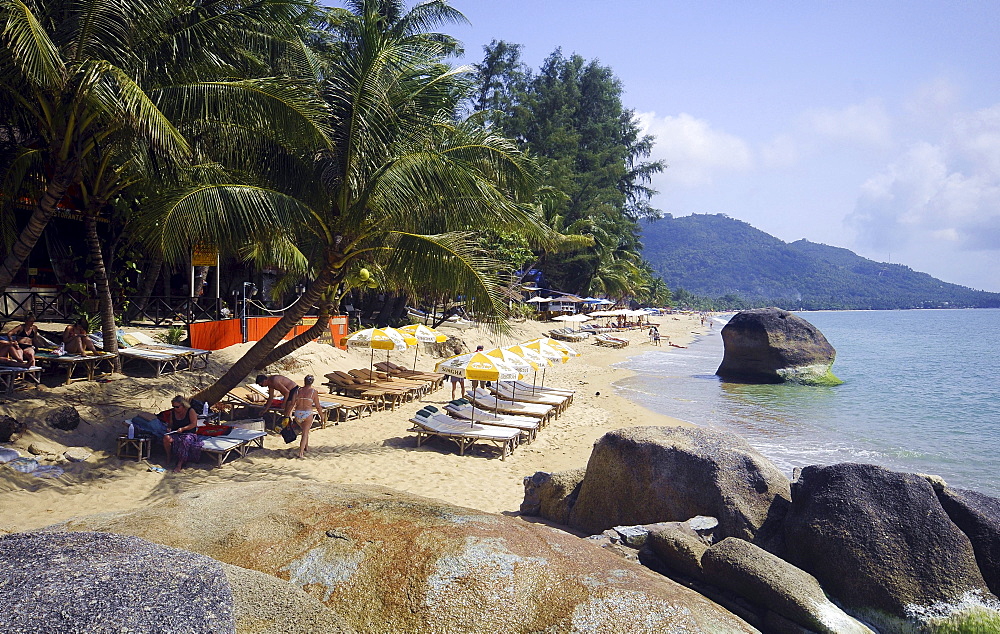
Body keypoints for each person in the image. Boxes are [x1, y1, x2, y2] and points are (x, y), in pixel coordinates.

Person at [287, 375, 325, 458]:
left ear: (304, 381)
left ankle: (306, 447)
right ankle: (301, 452)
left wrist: (289, 414)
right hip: (307, 413)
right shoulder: (313, 392)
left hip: (297, 413)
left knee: (305, 431)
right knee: (305, 433)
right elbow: (318, 406)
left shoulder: (297, 391)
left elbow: (292, 403)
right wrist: (322, 416)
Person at [163, 395, 203, 472]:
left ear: (183, 405)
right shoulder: (173, 412)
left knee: (185, 440)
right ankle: (168, 456)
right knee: (166, 438)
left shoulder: (190, 411)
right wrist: (169, 428)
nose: (175, 409)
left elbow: (193, 424)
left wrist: (183, 428)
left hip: (189, 433)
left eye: (177, 407)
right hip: (176, 433)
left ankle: (180, 463)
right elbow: (171, 423)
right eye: (174, 406)